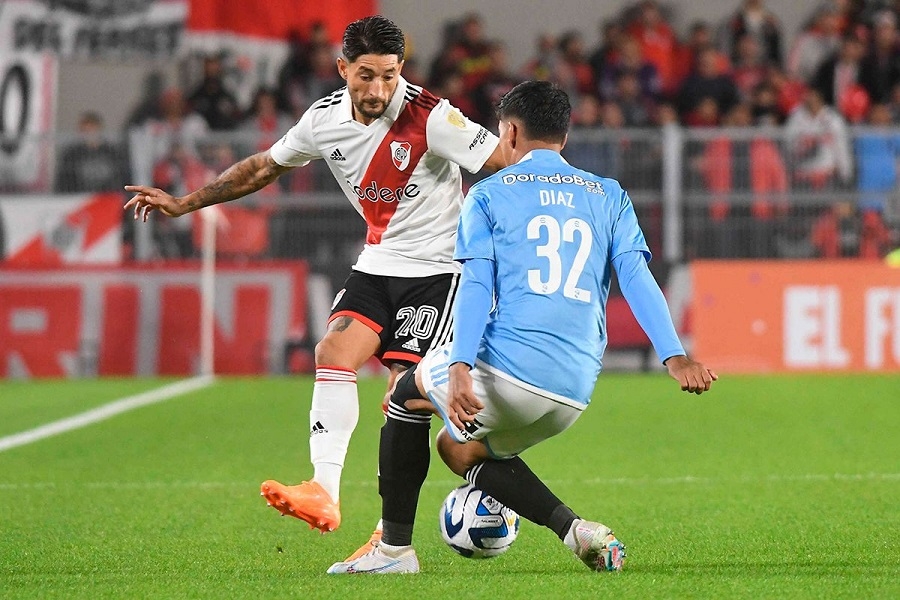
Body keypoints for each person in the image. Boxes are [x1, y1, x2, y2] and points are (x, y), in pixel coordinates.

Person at [124, 15, 504, 550]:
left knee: (404, 397)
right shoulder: (323, 119)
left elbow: (505, 161)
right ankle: (324, 489)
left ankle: (394, 536)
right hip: (378, 262)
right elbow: (263, 167)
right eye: (366, 76)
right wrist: (187, 203)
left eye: (390, 76)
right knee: (332, 352)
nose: (378, 90)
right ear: (342, 68)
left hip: (438, 271)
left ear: (402, 69)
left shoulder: (433, 117)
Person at [327, 80, 717, 575]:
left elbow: (475, 284)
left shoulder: (488, 194)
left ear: (509, 132)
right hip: (573, 391)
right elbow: (637, 278)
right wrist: (674, 355)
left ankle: (393, 552)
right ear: (563, 137)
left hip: (510, 371)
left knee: (405, 397)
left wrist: (460, 364)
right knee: (457, 448)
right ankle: (577, 531)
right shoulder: (608, 194)